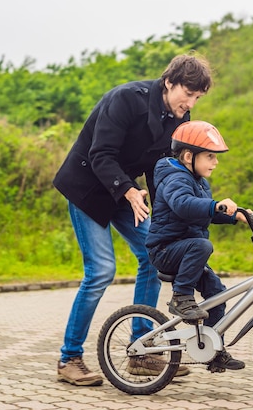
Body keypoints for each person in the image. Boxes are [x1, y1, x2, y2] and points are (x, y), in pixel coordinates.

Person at [52, 53, 213, 386]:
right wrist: (127, 191)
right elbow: (101, 154)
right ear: (170, 82)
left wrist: (169, 218)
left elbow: (161, 171)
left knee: (153, 256)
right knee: (101, 272)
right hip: (87, 189)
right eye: (189, 93)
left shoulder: (178, 119)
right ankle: (69, 359)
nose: (191, 102)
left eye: (197, 97)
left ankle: (142, 352)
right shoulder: (126, 99)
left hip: (128, 193)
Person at [145, 120, 250, 373]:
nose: (215, 162)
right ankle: (181, 297)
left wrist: (232, 216)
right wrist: (215, 205)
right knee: (203, 245)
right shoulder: (173, 177)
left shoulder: (198, 180)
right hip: (166, 250)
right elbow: (183, 204)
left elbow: (203, 212)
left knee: (217, 296)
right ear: (189, 156)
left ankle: (214, 351)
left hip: (186, 250)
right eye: (210, 156)